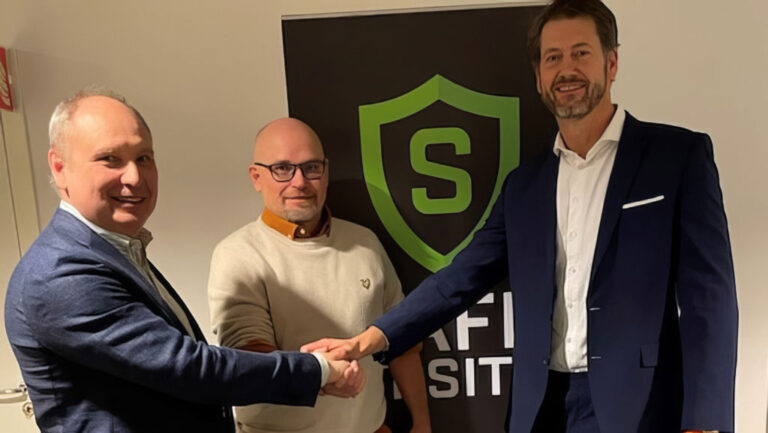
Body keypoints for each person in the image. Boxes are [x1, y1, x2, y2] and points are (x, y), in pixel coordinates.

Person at [302, 1, 737, 432]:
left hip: (640, 407)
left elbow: (709, 300)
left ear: (612, 63)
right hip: (541, 407)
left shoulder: (677, 157)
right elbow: (458, 280)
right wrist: (368, 339)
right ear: (539, 76)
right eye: (553, 58)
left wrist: (706, 421)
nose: (566, 69)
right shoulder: (524, 187)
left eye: (581, 53)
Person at [4, 90, 364, 433]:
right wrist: (318, 370)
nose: (134, 177)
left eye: (144, 158)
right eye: (110, 159)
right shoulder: (61, 272)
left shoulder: (117, 249)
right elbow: (190, 368)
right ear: (60, 167)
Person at [207, 117, 431, 433]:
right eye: (282, 169)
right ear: (257, 177)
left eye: (311, 167)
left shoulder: (365, 242)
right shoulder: (238, 254)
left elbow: (401, 339)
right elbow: (254, 362)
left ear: (325, 171)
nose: (299, 181)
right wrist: (327, 376)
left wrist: (421, 422)